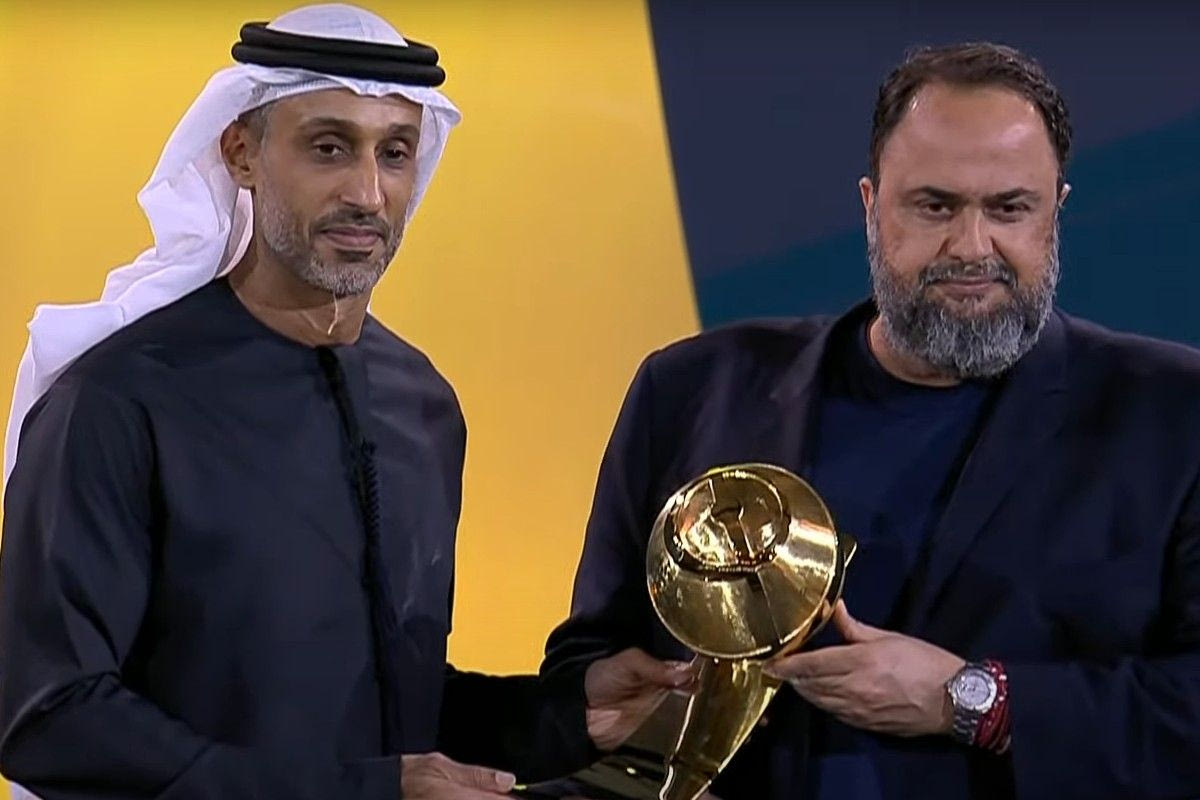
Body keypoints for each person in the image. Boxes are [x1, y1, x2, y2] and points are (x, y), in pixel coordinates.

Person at [0, 6, 690, 799]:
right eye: (329, 147)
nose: (368, 193)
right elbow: (51, 717)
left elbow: (388, 708)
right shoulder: (116, 402)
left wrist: (570, 717)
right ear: (240, 153)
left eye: (394, 153)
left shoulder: (423, 407)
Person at [542, 42, 1200, 799]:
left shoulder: (1174, 414)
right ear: (870, 206)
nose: (972, 247)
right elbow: (586, 669)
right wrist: (616, 708)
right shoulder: (691, 389)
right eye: (935, 206)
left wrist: (970, 701)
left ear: (1056, 212)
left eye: (1009, 208)